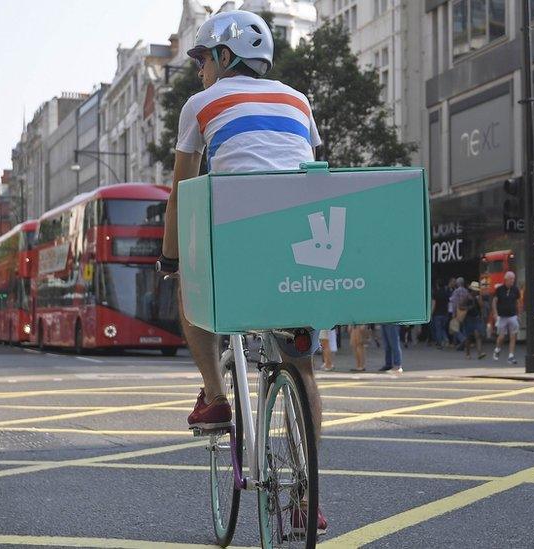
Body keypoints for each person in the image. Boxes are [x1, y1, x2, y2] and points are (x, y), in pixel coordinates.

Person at [154, 9, 327, 536]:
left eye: (203, 59)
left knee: (192, 284)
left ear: (226, 58)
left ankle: (215, 397)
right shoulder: (299, 100)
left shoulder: (200, 105)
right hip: (301, 244)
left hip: (238, 237)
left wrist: (170, 259)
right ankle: (310, 496)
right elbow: (305, 170)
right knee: (304, 370)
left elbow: (182, 194)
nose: (200, 71)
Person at [492, 271, 521, 364]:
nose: (512, 281)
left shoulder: (515, 290)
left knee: (513, 335)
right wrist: (495, 314)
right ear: (506, 280)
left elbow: (518, 302)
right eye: (511, 279)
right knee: (501, 336)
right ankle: (497, 349)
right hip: (502, 316)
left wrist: (518, 314)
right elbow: (494, 301)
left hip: (512, 315)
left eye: (513, 279)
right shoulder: (499, 289)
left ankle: (511, 356)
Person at [462, 281, 487, 359]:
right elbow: (460, 306)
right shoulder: (467, 297)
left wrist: (479, 300)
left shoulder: (478, 297)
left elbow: (482, 306)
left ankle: (479, 353)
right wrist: (468, 308)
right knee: (468, 337)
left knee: (478, 335)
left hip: (476, 318)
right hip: (468, 319)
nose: (476, 291)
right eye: (475, 290)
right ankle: (467, 353)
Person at [449, 277, 471, 349]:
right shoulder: (466, 291)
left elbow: (454, 303)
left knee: (454, 328)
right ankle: (461, 344)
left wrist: (454, 313)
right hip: (465, 312)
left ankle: (463, 339)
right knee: (463, 328)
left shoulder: (456, 291)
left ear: (458, 283)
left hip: (458, 311)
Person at [430, 279, 450, 349]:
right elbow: (448, 304)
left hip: (437, 314)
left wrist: (431, 313)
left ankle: (440, 343)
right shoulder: (446, 293)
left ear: (437, 285)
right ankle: (446, 339)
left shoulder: (436, 293)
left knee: (438, 329)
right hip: (445, 313)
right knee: (443, 328)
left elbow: (434, 304)